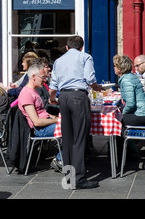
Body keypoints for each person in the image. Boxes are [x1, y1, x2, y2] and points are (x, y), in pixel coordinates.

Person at [49, 35, 103, 189]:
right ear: (81, 47)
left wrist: (53, 99)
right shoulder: (85, 57)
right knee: (79, 139)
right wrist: (97, 87)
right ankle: (78, 179)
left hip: (63, 97)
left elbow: (53, 86)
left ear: (67, 47)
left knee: (67, 139)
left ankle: (68, 177)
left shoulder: (59, 61)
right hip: (78, 96)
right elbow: (89, 78)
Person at [18, 63, 61, 171]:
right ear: (33, 77)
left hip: (46, 124)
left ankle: (65, 158)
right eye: (43, 77)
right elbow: (36, 122)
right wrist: (57, 120)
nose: (45, 80)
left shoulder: (34, 91)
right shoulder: (26, 94)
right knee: (68, 129)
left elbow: (43, 112)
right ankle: (60, 160)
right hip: (40, 129)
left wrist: (56, 117)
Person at [114, 54, 145, 125]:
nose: (114, 68)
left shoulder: (126, 80)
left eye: (115, 66)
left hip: (140, 114)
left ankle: (122, 135)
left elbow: (130, 104)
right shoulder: (130, 77)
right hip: (141, 112)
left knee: (116, 119)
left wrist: (123, 113)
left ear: (119, 68)